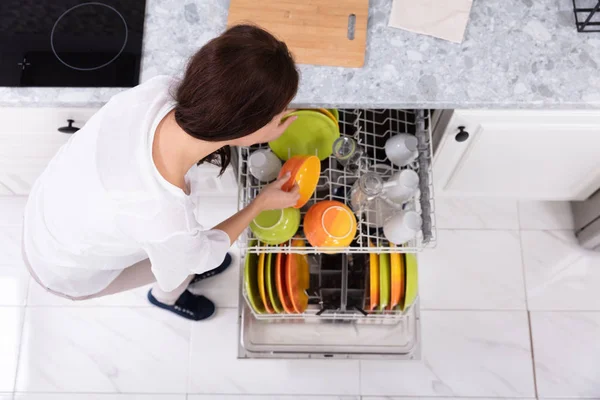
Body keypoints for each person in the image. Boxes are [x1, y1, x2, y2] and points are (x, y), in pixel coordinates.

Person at [22, 25, 300, 321]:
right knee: (182, 267)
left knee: (179, 246)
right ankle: (165, 299)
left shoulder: (158, 90)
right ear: (246, 128)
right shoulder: (164, 216)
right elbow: (196, 257)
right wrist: (259, 205)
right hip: (63, 267)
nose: (281, 118)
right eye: (277, 114)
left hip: (49, 208)